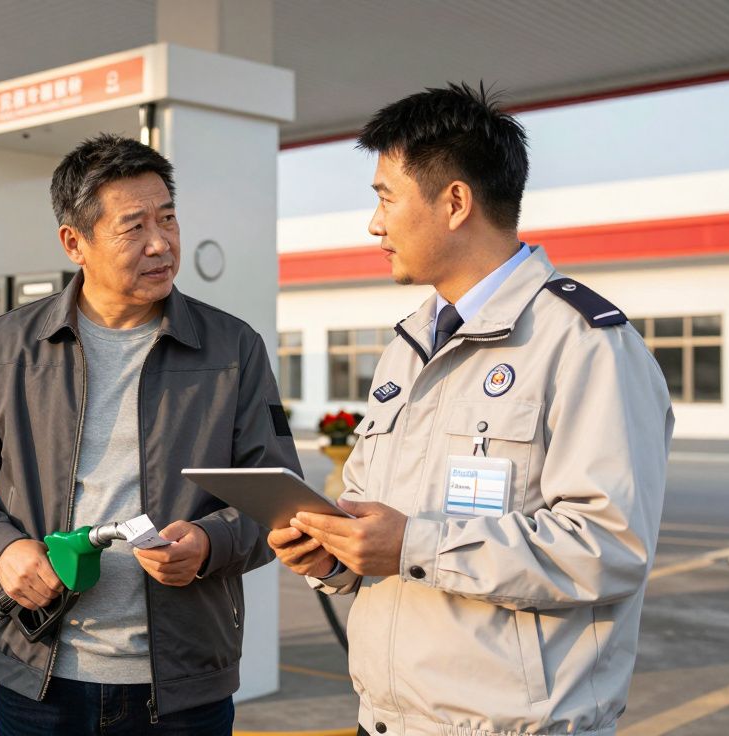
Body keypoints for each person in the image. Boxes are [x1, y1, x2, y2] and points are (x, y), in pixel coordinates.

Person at [268, 83, 673, 736]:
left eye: (384, 198)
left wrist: (413, 544)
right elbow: (383, 515)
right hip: (389, 720)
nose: (374, 224)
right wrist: (335, 556)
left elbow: (609, 548)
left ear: (455, 201)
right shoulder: (410, 343)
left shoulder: (584, 343)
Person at [0, 133, 300, 735]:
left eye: (168, 218)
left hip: (181, 688)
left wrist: (208, 544)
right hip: (38, 678)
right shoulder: (7, 347)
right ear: (75, 242)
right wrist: (3, 550)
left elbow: (277, 497)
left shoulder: (232, 348)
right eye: (134, 226)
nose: (161, 243)